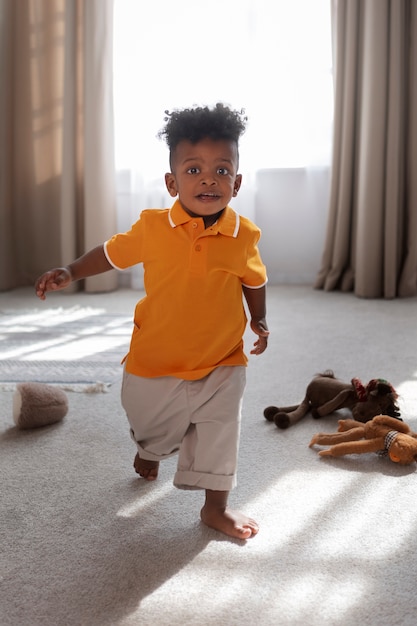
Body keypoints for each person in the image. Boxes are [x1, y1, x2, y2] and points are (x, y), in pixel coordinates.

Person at [35, 103, 269, 540]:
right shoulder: (153, 227)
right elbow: (108, 253)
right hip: (155, 358)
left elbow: (254, 280)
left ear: (236, 183)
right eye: (194, 168)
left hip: (223, 358)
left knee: (222, 430)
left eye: (221, 171)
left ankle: (215, 507)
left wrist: (260, 320)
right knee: (150, 423)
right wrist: (70, 270)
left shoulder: (244, 235)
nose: (208, 179)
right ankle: (150, 449)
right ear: (171, 181)